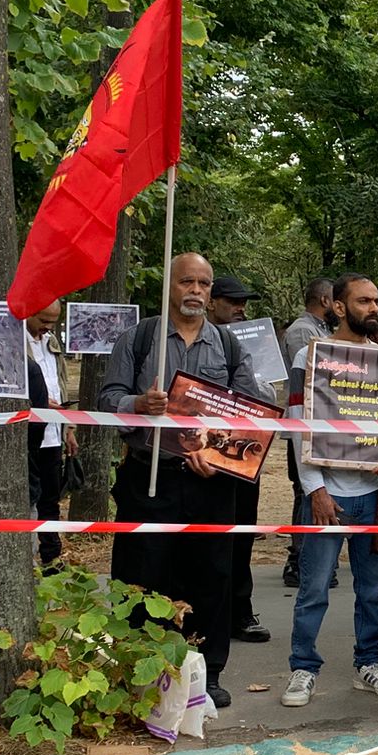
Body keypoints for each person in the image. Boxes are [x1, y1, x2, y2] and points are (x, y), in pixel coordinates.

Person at [99, 253, 270, 708]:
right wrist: (138, 404)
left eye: (203, 283)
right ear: (169, 287)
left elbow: (247, 413)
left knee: (212, 575)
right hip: (149, 477)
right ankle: (140, 674)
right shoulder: (139, 339)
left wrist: (218, 458)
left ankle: (206, 674)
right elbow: (107, 398)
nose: (195, 291)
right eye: (186, 282)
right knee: (142, 576)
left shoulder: (229, 346)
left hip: (210, 484)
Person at [283, 273, 378, 706]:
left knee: (372, 590)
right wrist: (315, 489)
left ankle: (369, 663)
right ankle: (303, 668)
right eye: (364, 301)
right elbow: (298, 427)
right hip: (326, 493)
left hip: (374, 494)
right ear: (337, 306)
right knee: (314, 589)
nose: (373, 308)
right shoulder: (309, 356)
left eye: (376, 301)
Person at [204, 275, 271, 645]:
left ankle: (240, 611)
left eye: (243, 302)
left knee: (241, 534)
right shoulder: (195, 341)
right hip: (201, 454)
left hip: (243, 452)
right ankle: (201, 615)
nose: (240, 308)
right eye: (232, 301)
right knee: (204, 539)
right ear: (211, 302)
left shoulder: (251, 343)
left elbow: (264, 398)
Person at [279, 278, 335, 589]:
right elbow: (313, 379)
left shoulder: (321, 329)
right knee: (306, 492)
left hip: (324, 429)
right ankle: (299, 561)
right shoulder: (303, 331)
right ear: (326, 301)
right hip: (304, 426)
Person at [23, 301, 77, 573]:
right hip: (29, 435)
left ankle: (52, 558)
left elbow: (60, 384)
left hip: (54, 432)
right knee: (30, 498)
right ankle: (28, 556)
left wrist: (69, 427)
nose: (48, 327)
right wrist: (39, 404)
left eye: (53, 322)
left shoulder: (52, 342)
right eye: (44, 320)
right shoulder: (14, 342)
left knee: (51, 499)